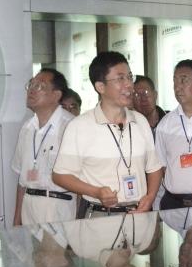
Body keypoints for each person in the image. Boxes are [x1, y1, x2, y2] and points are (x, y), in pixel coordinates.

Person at [53, 51, 161, 216]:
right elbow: (60, 175)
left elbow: (154, 168)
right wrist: (96, 192)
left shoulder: (140, 121)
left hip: (139, 213)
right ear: (100, 87)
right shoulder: (80, 126)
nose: (129, 84)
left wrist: (150, 197)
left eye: (129, 77)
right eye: (120, 79)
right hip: (100, 215)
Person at [12, 69, 76, 225]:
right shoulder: (27, 128)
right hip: (29, 204)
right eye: (31, 84)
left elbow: (82, 177)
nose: (32, 90)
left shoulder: (71, 126)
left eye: (39, 86)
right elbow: (22, 181)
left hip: (57, 205)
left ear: (56, 95)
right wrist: (17, 221)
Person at [154, 60, 192, 210]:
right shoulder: (165, 124)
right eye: (175, 81)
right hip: (173, 205)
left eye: (183, 80)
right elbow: (162, 166)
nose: (177, 87)